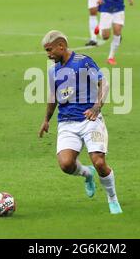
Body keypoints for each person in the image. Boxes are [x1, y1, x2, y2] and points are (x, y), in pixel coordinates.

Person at [38, 30, 123, 214]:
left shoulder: (83, 61)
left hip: (89, 119)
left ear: (61, 46)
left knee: (100, 162)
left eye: (50, 50)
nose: (48, 54)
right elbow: (53, 97)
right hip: (67, 123)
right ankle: (87, 173)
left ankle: (112, 198)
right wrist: (46, 120)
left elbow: (104, 84)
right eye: (46, 51)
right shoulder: (53, 71)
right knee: (66, 164)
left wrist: (96, 107)